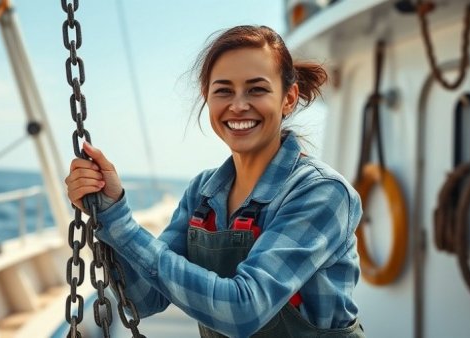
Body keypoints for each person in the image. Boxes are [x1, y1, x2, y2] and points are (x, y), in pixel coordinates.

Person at [66, 25, 364, 338]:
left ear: (288, 98)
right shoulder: (202, 193)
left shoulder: (322, 193)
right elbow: (143, 300)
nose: (238, 105)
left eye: (256, 89)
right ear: (207, 97)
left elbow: (244, 310)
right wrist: (111, 210)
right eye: (223, 90)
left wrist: (123, 228)